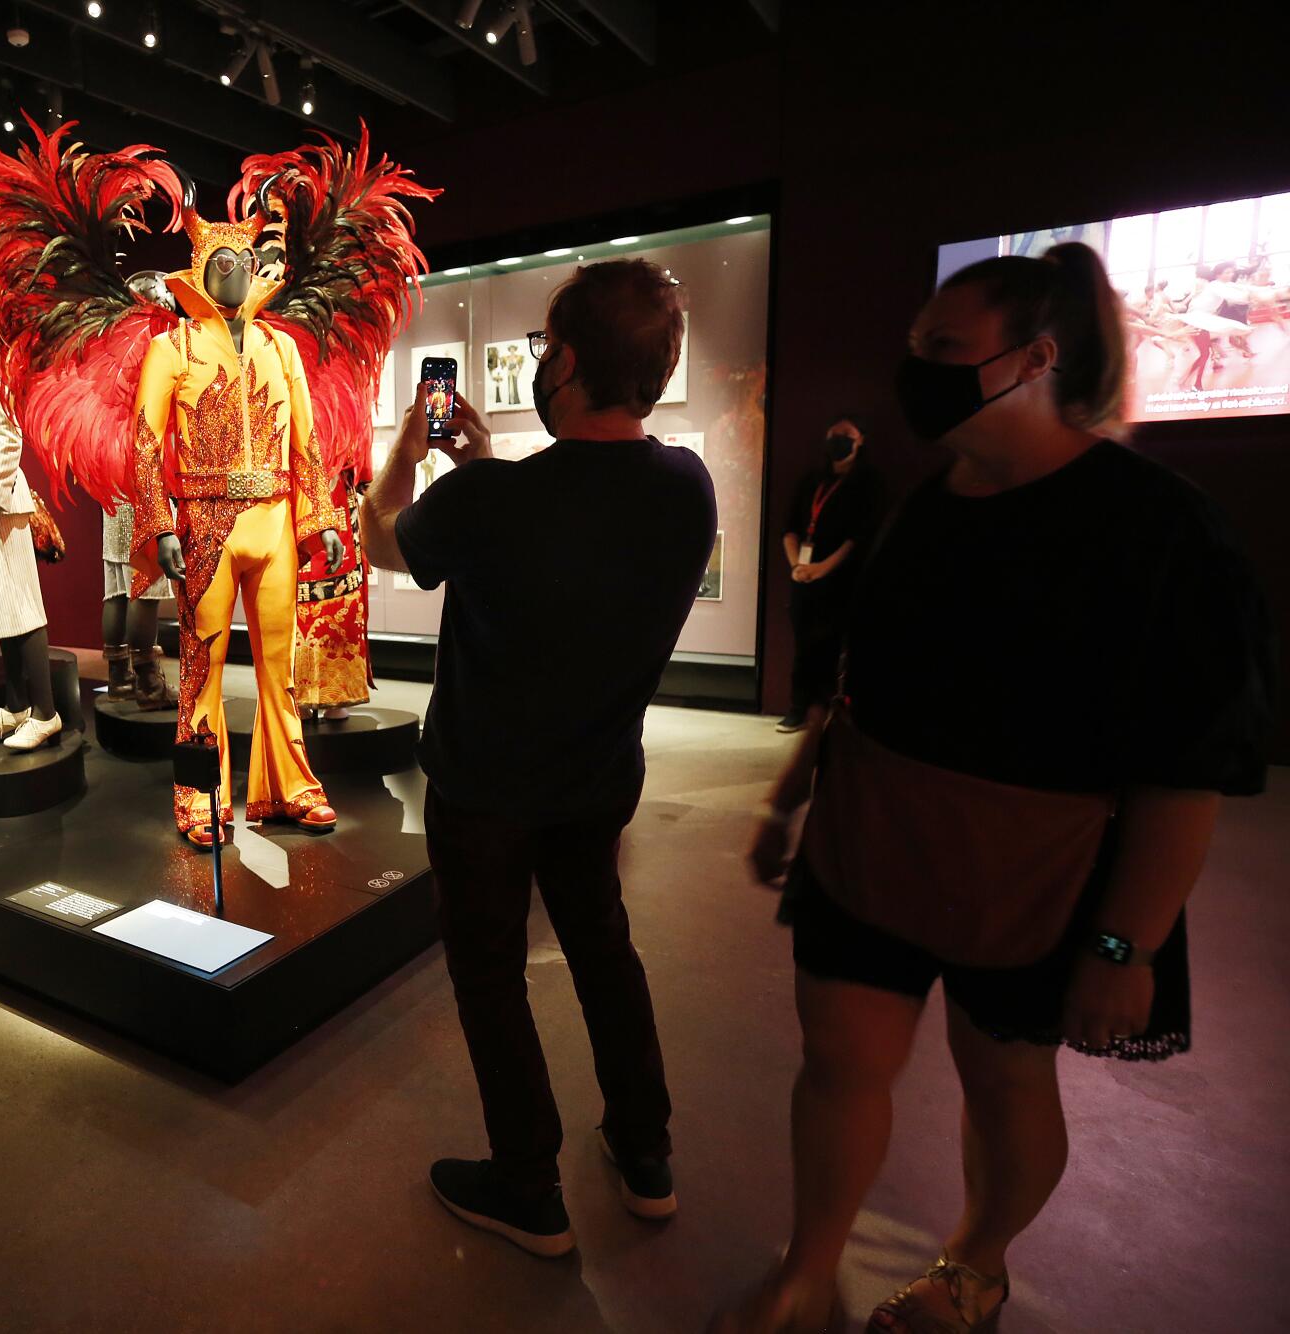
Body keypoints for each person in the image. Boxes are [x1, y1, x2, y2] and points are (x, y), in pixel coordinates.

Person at [724, 243, 1272, 1333]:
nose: (913, 366)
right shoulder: (927, 502)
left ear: (1036, 357)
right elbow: (860, 677)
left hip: (1037, 867)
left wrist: (1125, 945)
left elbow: (1183, 769)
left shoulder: (1158, 527)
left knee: (1004, 1079)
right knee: (836, 1060)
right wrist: (793, 789)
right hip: (870, 831)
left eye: (942, 348)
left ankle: (973, 1258)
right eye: (914, 345)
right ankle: (807, 1263)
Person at [360, 259, 718, 1258]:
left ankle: (527, 1182)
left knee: (488, 970)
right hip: (597, 781)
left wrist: (406, 446)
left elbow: (378, 536)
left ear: (563, 362)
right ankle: (644, 1154)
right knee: (603, 946)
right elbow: (564, 520)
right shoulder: (685, 486)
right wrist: (479, 470)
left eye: (543, 350)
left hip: (483, 789)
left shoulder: (494, 503)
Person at [776, 415, 880, 732]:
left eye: (847, 435)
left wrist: (822, 569)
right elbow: (790, 529)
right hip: (804, 579)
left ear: (861, 440)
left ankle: (825, 711)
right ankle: (798, 708)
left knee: (834, 646)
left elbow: (857, 538)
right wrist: (798, 566)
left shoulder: (868, 483)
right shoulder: (812, 481)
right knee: (803, 645)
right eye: (834, 435)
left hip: (841, 582)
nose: (840, 441)